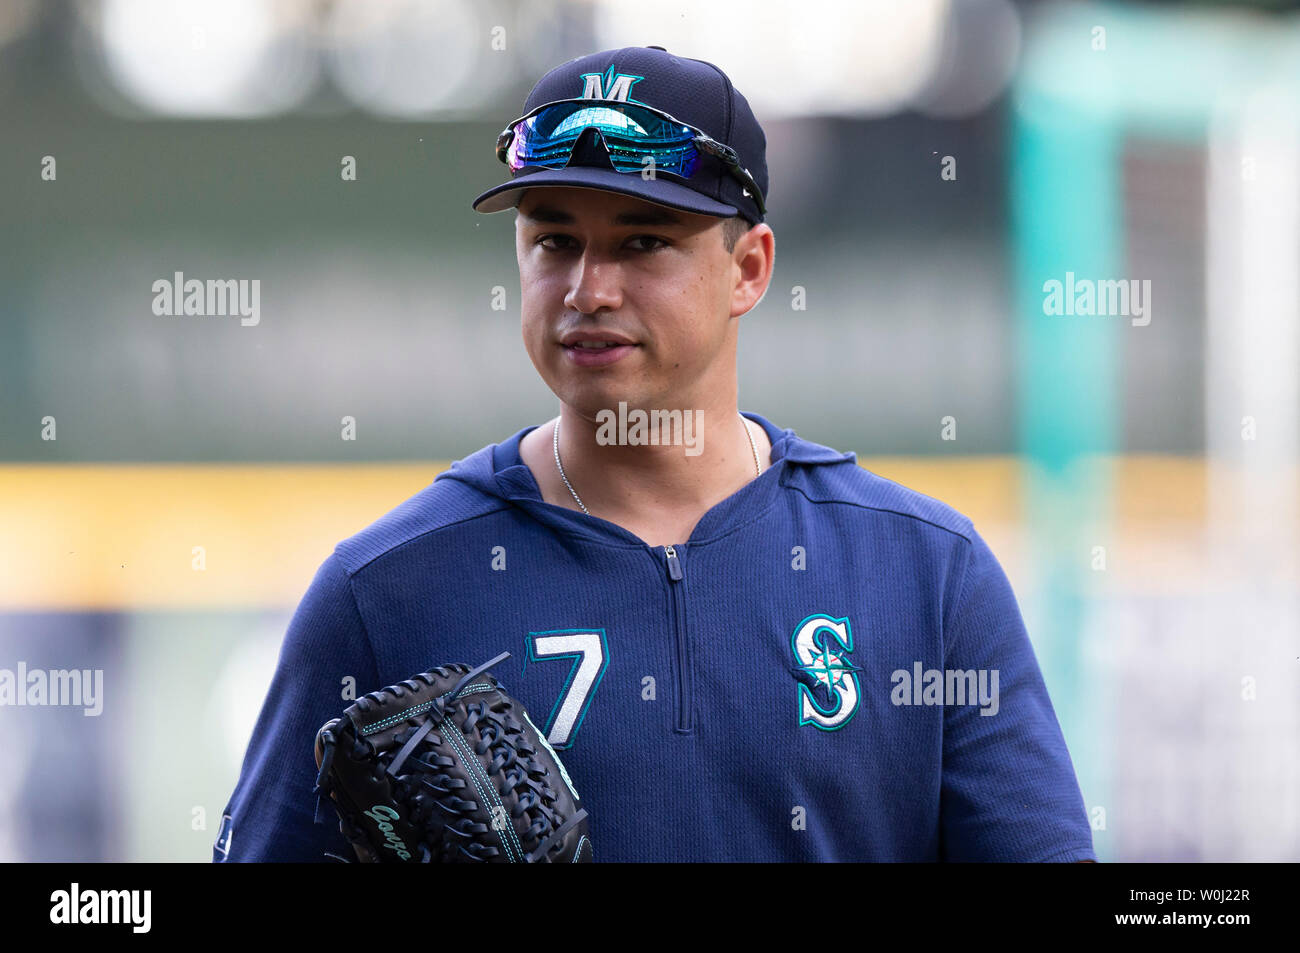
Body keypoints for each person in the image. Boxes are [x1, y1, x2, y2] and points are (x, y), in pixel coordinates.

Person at [213, 45, 1095, 862]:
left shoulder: (925, 575)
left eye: (643, 241)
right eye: (555, 240)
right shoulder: (385, 592)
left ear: (748, 269)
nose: (589, 289)